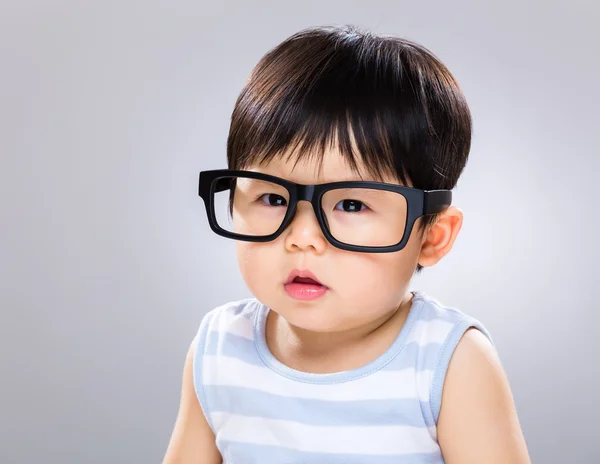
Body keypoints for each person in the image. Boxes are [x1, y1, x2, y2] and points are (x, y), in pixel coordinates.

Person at [163, 24, 531, 464]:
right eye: (274, 198)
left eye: (352, 205)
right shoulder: (221, 348)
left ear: (432, 237)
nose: (301, 238)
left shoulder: (448, 362)